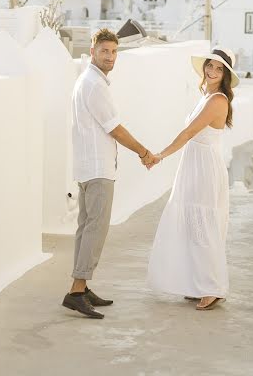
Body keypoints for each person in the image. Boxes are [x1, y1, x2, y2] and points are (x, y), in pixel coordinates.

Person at [62, 28, 153, 319]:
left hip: (88, 167)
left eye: (114, 52)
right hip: (98, 169)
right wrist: (143, 151)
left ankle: (82, 286)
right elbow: (114, 127)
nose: (110, 56)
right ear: (92, 52)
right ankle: (76, 291)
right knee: (95, 230)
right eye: (104, 51)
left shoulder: (86, 81)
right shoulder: (94, 85)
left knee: (85, 228)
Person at [147, 47, 239, 310]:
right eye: (210, 66)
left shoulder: (217, 100)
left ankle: (212, 287)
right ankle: (200, 284)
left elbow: (188, 133)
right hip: (194, 165)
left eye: (218, 68)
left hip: (204, 168)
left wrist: (160, 155)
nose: (211, 71)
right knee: (192, 224)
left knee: (203, 225)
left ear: (225, 75)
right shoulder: (205, 96)